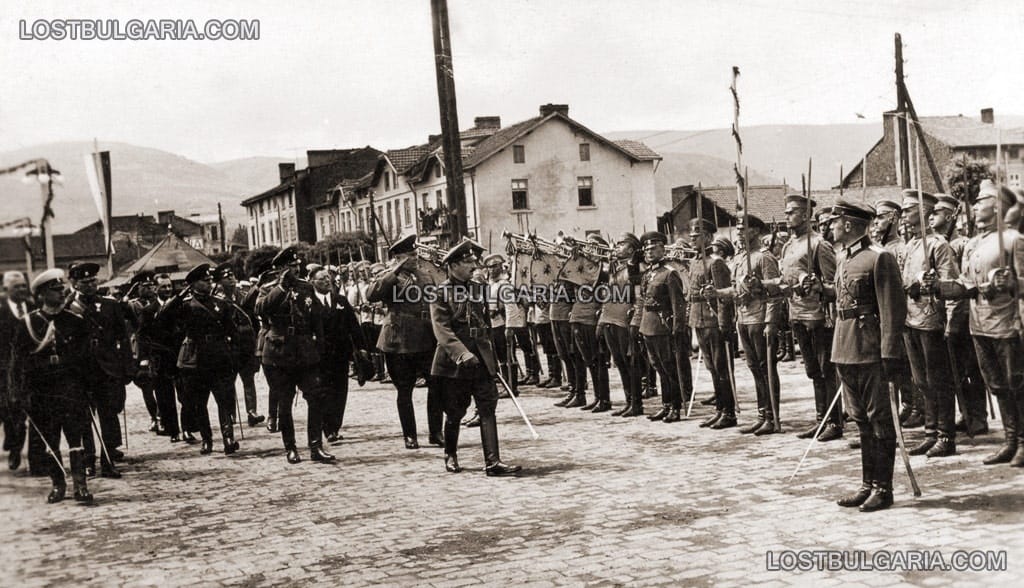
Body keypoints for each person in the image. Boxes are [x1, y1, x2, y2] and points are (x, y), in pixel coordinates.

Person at [929, 182, 1024, 467]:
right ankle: (1010, 441)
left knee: (1016, 383)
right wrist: (937, 286)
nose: (974, 205)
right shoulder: (973, 243)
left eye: (980, 201)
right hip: (979, 325)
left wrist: (1013, 283)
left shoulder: (1012, 240)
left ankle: (1022, 442)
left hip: (1007, 323)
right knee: (995, 384)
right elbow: (965, 285)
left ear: (997, 207)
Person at [825, 198, 907, 512]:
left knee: (880, 420)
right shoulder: (844, 258)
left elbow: (892, 309)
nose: (830, 227)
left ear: (848, 224)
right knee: (860, 420)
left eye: (835, 222)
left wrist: (889, 353)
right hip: (845, 347)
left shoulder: (879, 258)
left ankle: (883, 489)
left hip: (871, 351)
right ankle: (867, 484)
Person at [431, 238, 521, 476]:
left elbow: (487, 325)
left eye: (473, 261)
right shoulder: (440, 293)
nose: (473, 265)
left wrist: (493, 358)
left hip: (481, 360)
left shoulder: (479, 289)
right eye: (467, 262)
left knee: (487, 408)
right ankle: (450, 454)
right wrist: (462, 354)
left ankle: (493, 461)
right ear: (452, 265)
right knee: (455, 412)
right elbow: (442, 330)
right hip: (456, 363)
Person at [763, 195, 842, 442]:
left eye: (792, 212)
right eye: (786, 212)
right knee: (812, 371)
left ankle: (834, 421)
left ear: (806, 215)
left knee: (826, 370)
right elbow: (785, 280)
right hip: (796, 313)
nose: (787, 216)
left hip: (817, 315)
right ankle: (821, 419)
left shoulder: (819, 244)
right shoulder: (788, 246)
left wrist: (816, 285)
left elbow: (833, 284)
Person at [13, 269, 95, 503]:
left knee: (75, 437)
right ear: (41, 295)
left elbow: (85, 358)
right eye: (55, 290)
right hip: (42, 391)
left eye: (62, 289)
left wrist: (87, 388)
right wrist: (20, 393)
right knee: (50, 439)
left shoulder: (75, 321)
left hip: (70, 389)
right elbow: (19, 361)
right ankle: (58, 485)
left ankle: (80, 486)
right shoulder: (27, 324)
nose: (62, 293)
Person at [255, 247, 333, 464]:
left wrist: (320, 347)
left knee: (315, 398)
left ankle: (316, 446)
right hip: (279, 354)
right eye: (290, 266)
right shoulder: (269, 289)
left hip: (305, 351)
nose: (294, 269)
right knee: (284, 403)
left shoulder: (306, 288)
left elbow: (317, 318)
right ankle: (290, 447)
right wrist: (281, 287)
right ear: (280, 269)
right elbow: (260, 309)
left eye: (296, 266)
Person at [366, 234, 444, 449]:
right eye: (410, 255)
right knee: (404, 390)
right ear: (399, 257)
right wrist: (394, 271)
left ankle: (436, 432)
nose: (414, 257)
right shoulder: (389, 276)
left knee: (436, 385)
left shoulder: (425, 275)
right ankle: (410, 435)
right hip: (398, 340)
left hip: (425, 337)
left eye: (415, 253)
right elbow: (371, 295)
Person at [897, 190, 958, 458]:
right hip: (910, 320)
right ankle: (930, 432)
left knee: (938, 379)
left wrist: (929, 285)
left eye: (909, 209)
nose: (904, 214)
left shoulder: (938, 245)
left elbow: (952, 284)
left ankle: (946, 435)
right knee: (921, 380)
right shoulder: (910, 246)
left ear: (924, 212)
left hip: (931, 319)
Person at [156, 264, 240, 456]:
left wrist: (233, 355)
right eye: (205, 280)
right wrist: (178, 296)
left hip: (219, 356)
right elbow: (162, 318)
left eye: (210, 280)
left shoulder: (220, 303)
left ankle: (228, 438)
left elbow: (232, 331)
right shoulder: (185, 305)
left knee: (224, 400)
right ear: (194, 284)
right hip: (195, 359)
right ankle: (207, 439)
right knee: (199, 403)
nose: (210, 282)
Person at [713, 214, 783, 435]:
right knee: (755, 369)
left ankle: (772, 417)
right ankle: (762, 414)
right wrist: (716, 292)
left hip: (760, 319)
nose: (739, 232)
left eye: (743, 228)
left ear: (755, 231)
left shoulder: (764, 258)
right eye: (738, 228)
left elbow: (775, 293)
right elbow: (736, 290)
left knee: (766, 369)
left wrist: (771, 322)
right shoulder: (741, 258)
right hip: (743, 319)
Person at [931, 194, 988, 437]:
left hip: (960, 314)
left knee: (968, 369)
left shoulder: (961, 244)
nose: (933, 216)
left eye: (939, 212)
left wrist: (954, 318)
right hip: (941, 313)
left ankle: (977, 417)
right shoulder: (934, 243)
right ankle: (966, 413)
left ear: (951, 215)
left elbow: (962, 283)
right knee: (953, 370)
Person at [67, 262, 132, 478]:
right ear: (74, 283)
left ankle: (108, 459)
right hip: (81, 371)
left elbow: (123, 338)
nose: (90, 285)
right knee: (84, 418)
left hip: (107, 370)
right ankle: (88, 460)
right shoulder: (68, 308)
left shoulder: (110, 305)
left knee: (109, 415)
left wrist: (126, 368)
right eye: (84, 282)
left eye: (93, 280)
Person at [311, 266, 368, 444]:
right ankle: (327, 428)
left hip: (340, 356)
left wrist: (362, 347)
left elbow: (354, 326)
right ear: (312, 282)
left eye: (328, 278)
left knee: (339, 392)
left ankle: (334, 426)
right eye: (322, 279)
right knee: (323, 392)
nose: (327, 281)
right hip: (319, 357)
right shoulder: (309, 303)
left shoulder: (341, 301)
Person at [690, 219, 735, 429]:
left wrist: (724, 325)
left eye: (697, 234)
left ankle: (729, 412)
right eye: (691, 235)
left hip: (714, 321)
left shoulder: (716, 263)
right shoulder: (695, 261)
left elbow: (724, 297)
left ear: (708, 237)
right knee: (712, 369)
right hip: (699, 320)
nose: (692, 238)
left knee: (721, 368)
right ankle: (719, 410)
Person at [639, 231, 688, 422]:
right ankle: (665, 405)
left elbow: (678, 304)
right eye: (647, 249)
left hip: (662, 326)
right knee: (658, 367)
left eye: (653, 248)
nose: (649, 253)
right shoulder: (648, 274)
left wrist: (678, 329)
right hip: (648, 325)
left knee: (669, 369)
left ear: (662, 249)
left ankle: (675, 407)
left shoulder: (669, 273)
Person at [213, 263, 266, 427]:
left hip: (245, 344)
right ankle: (230, 414)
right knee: (228, 382)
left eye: (232, 276)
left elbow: (250, 311)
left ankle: (252, 412)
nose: (231, 279)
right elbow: (240, 306)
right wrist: (256, 287)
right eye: (226, 277)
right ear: (219, 281)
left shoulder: (241, 293)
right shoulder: (216, 298)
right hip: (229, 345)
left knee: (248, 378)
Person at [600, 233, 644, 417]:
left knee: (630, 363)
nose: (617, 247)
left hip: (624, 321)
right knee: (619, 363)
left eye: (622, 244)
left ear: (632, 249)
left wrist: (634, 321)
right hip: (610, 319)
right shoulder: (614, 268)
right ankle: (629, 401)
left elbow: (638, 296)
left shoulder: (635, 269)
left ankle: (636, 403)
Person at [571, 236, 610, 412]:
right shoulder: (584, 267)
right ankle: (597, 397)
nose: (588, 250)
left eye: (593, 247)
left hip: (592, 319)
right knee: (589, 361)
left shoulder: (604, 268)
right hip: (578, 317)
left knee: (598, 360)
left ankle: (604, 399)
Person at [1, 271, 32, 470]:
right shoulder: (1, 311)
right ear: (6, 290)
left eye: (23, 286)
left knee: (23, 410)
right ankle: (13, 442)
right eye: (16, 287)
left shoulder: (33, 307)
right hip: (3, 370)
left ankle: (17, 448)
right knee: (8, 410)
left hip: (28, 368)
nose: (21, 290)